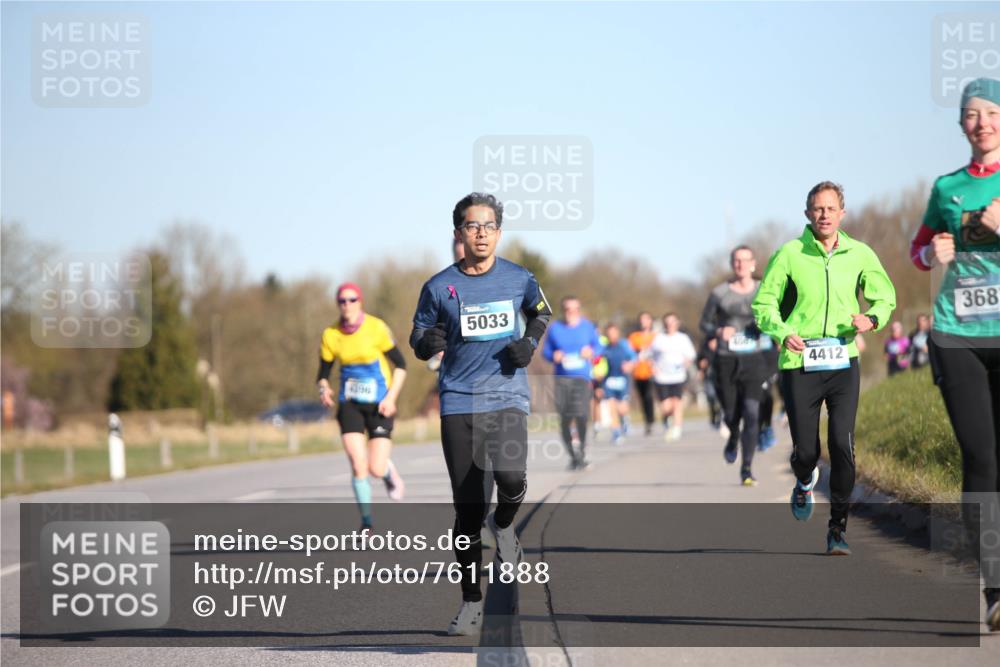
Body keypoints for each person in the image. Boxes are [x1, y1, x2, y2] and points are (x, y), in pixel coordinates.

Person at [410, 193, 551, 636]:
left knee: (511, 479)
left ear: (499, 233)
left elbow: (540, 313)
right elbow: (417, 335)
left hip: (507, 396)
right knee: (467, 510)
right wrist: (426, 344)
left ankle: (505, 525)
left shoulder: (519, 278)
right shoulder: (438, 287)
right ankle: (471, 601)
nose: (482, 233)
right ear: (458, 234)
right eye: (473, 226)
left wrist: (529, 343)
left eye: (489, 226)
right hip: (457, 400)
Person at [752, 181, 896, 555]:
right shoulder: (789, 254)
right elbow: (763, 305)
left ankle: (837, 530)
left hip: (842, 360)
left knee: (843, 447)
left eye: (831, 208)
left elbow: (885, 296)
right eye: (817, 209)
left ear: (842, 213)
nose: (824, 215)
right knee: (805, 453)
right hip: (799, 361)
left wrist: (873, 318)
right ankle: (804, 482)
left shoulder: (860, 253)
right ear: (807, 214)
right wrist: (783, 332)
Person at [908, 77, 1000, 631]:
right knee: (981, 458)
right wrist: (930, 253)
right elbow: (918, 248)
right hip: (957, 334)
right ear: (961, 124)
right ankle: (995, 587)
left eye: (991, 112)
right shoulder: (948, 188)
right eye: (971, 114)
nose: (982, 122)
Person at [317, 282, 408, 534]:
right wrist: (323, 389)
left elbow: (401, 365)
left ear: (361, 302)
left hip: (380, 404)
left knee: (375, 468)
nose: (347, 305)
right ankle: (366, 523)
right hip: (350, 405)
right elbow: (322, 374)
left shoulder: (376, 328)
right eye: (342, 301)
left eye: (352, 300)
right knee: (358, 464)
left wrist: (391, 398)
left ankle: (389, 473)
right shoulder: (330, 334)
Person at [699, 245, 774, 485]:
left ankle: (747, 468)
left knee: (752, 412)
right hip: (726, 359)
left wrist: (768, 329)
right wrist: (719, 330)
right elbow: (704, 324)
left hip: (754, 358)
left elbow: (778, 317)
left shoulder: (765, 290)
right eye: (736, 261)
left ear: (753, 264)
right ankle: (732, 436)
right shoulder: (720, 293)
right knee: (732, 414)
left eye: (745, 260)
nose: (741, 264)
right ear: (732, 265)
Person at [543, 296, 602, 469]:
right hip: (562, 379)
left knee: (582, 415)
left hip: (582, 378)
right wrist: (553, 356)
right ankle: (573, 455)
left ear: (579, 310)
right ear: (563, 310)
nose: (572, 312)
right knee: (565, 419)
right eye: (568, 309)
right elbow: (546, 352)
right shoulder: (555, 329)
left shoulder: (587, 327)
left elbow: (599, 347)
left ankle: (582, 451)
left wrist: (591, 351)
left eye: (575, 309)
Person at [650, 313, 696, 441]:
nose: (670, 324)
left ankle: (677, 428)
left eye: (673, 321)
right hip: (662, 377)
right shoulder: (659, 338)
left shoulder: (683, 338)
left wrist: (687, 362)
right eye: (668, 322)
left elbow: (691, 355)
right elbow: (650, 355)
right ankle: (667, 418)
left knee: (677, 402)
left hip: (678, 376)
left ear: (677, 323)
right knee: (666, 407)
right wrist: (654, 367)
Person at [600, 323, 638, 445]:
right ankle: (616, 433)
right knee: (612, 407)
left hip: (623, 379)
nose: (612, 336)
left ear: (618, 333)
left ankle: (624, 420)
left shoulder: (624, 345)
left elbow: (634, 358)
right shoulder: (604, 348)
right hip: (609, 380)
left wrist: (629, 365)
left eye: (614, 333)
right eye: (609, 334)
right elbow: (598, 361)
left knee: (622, 408)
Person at [628, 312, 658, 435]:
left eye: (646, 319)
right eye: (641, 320)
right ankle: (647, 421)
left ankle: (651, 420)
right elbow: (629, 353)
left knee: (649, 396)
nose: (643, 322)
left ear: (650, 321)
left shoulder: (656, 336)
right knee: (642, 398)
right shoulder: (634, 337)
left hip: (653, 372)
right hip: (638, 372)